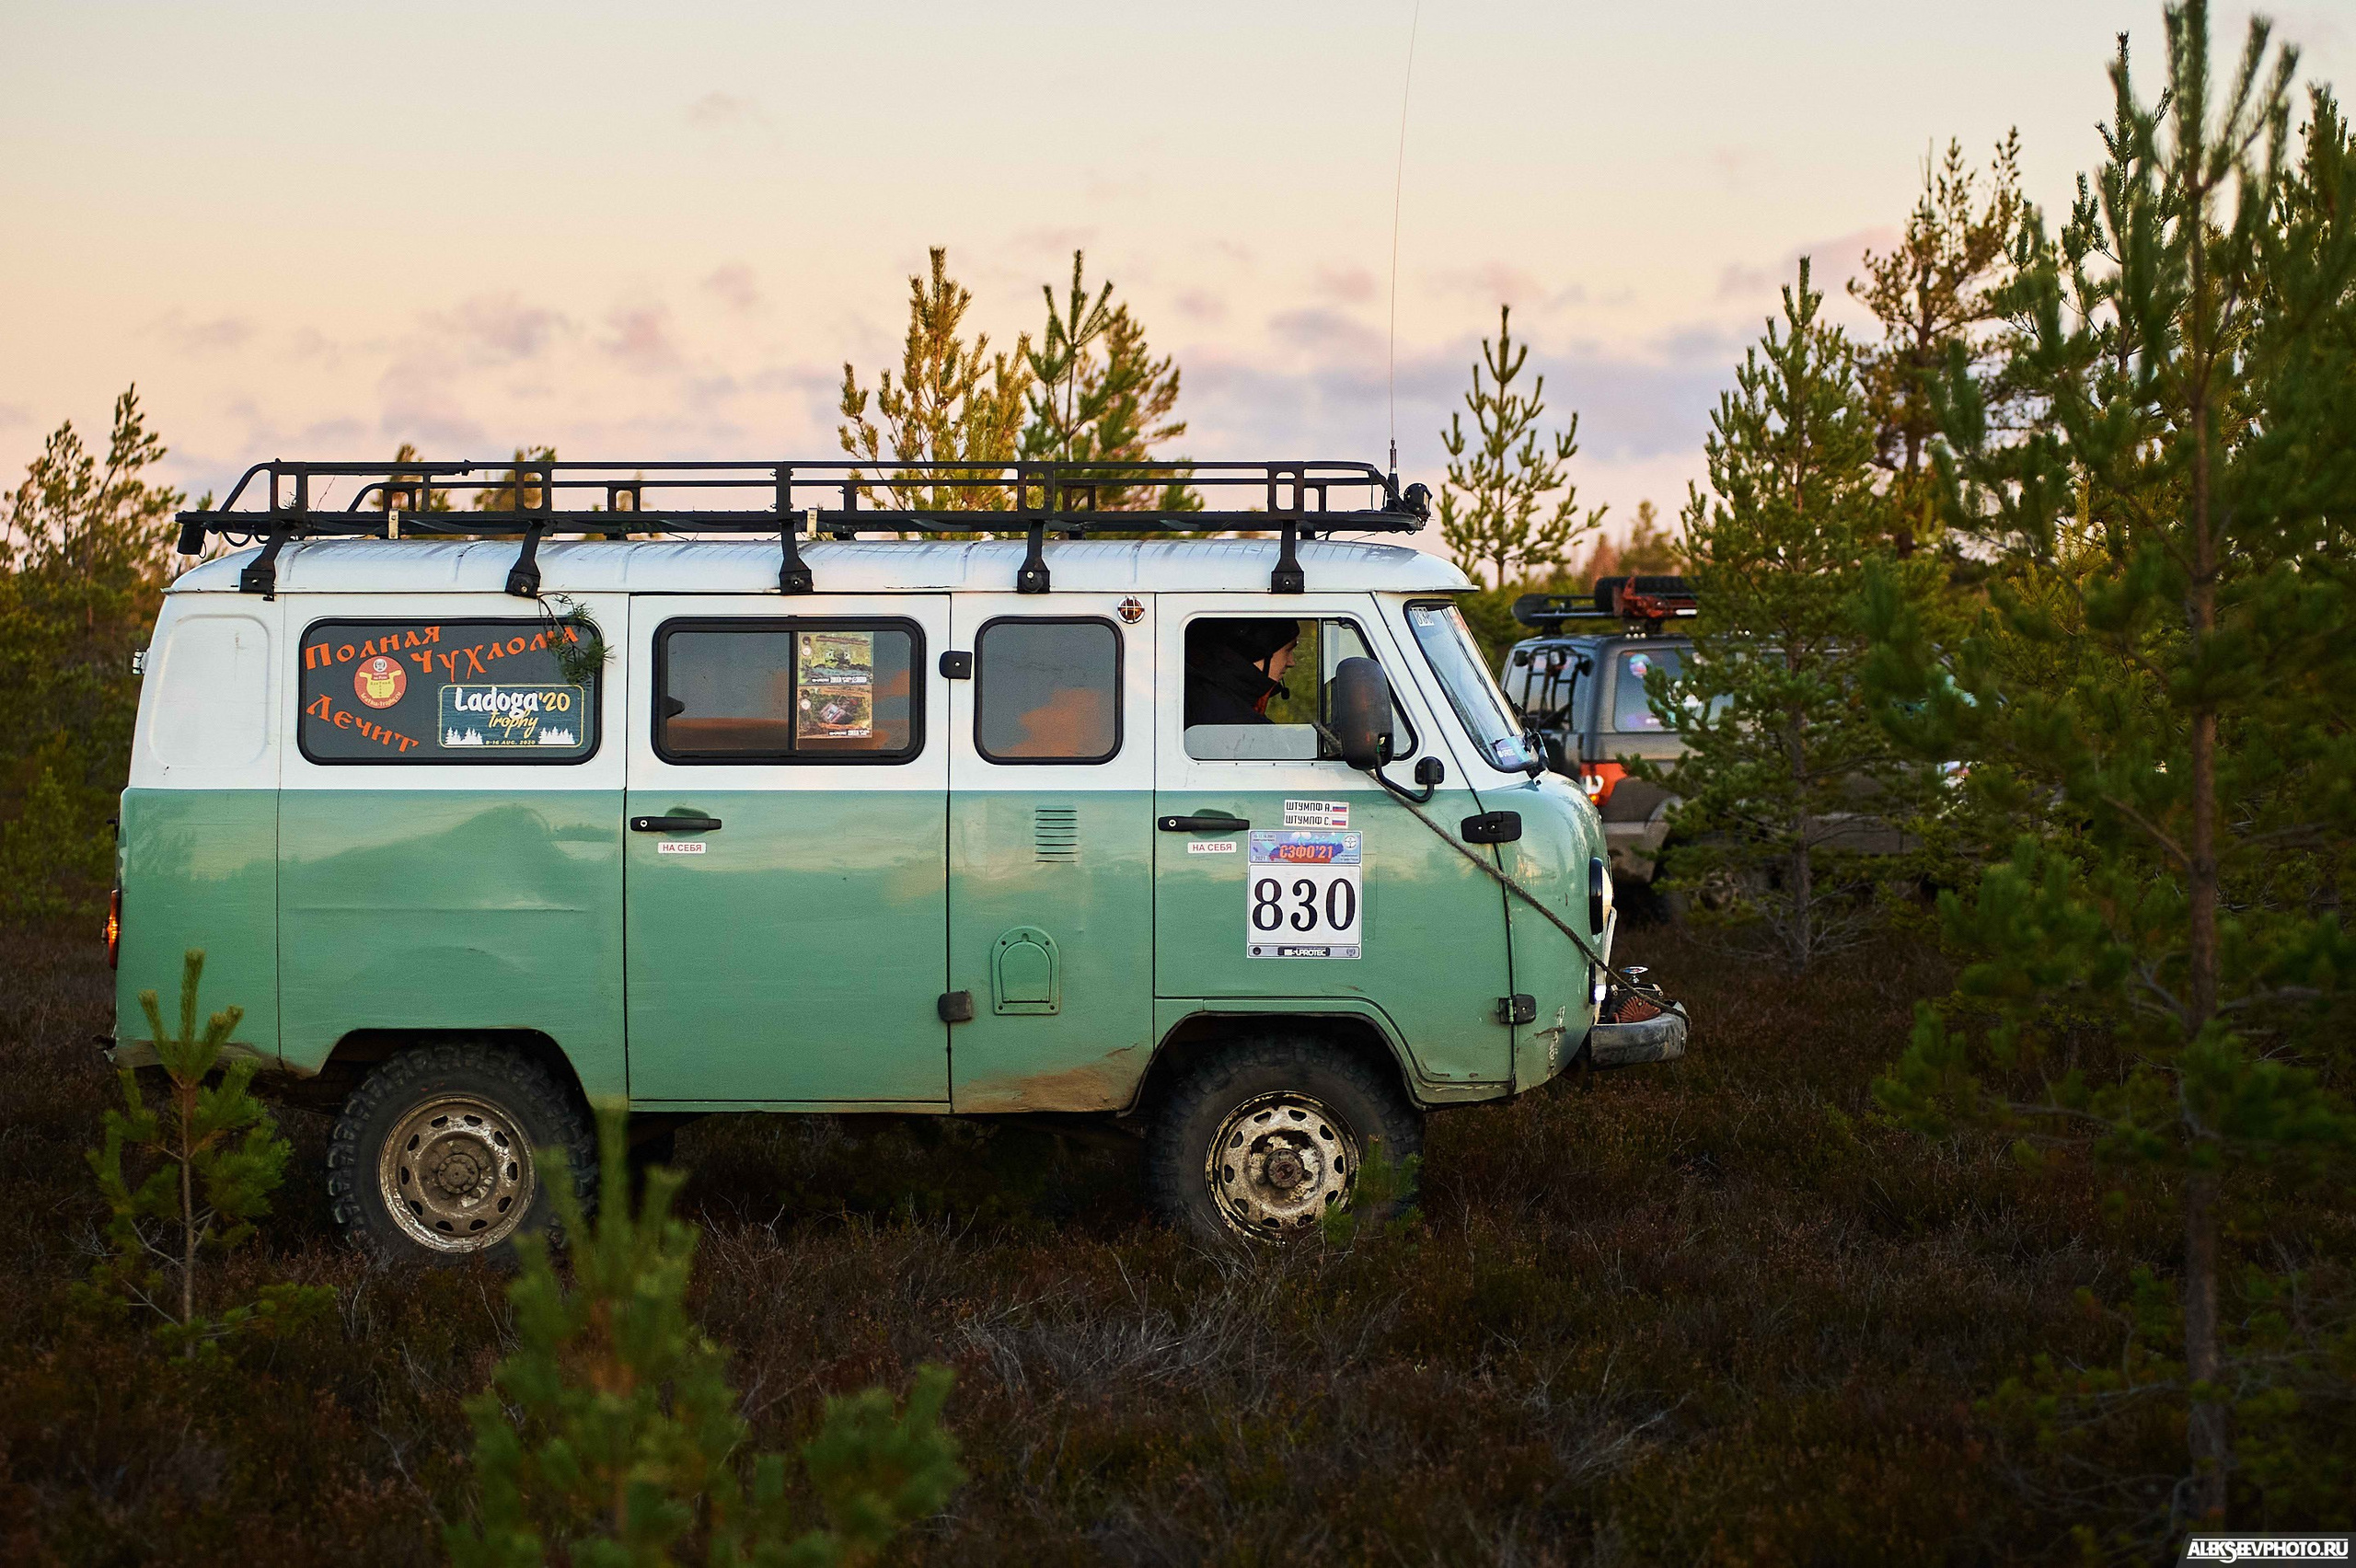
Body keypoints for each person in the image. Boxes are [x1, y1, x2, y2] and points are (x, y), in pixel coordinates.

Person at [1184, 618, 1301, 728]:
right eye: (1288, 651)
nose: (1291, 662)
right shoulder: (1241, 722)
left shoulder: (1200, 690)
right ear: (1261, 651)